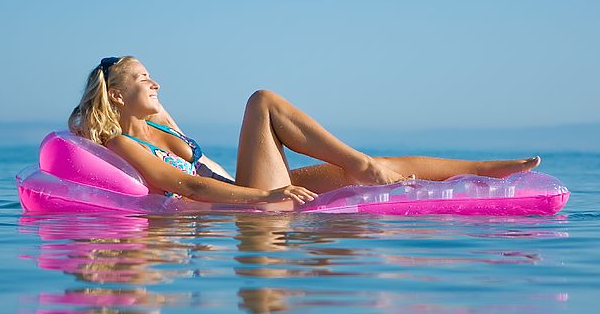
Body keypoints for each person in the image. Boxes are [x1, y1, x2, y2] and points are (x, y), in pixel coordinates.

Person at [68, 56, 541, 207]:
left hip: (246, 189)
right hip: (244, 204)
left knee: (374, 169)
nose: (155, 82)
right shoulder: (120, 141)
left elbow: (148, 105)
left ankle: (487, 169)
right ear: (114, 94)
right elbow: (181, 183)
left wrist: (135, 88)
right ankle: (362, 163)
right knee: (263, 102)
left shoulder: (157, 123)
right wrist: (263, 200)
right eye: (143, 78)